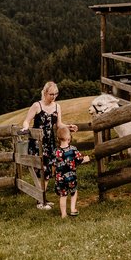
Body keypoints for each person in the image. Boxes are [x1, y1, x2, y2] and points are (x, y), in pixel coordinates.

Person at [21, 81, 78, 210]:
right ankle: (41, 201)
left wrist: (68, 126)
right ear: (45, 92)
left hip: (50, 143)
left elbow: (59, 125)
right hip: (37, 143)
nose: (53, 97)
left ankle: (42, 200)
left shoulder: (57, 107)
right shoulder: (37, 106)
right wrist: (25, 128)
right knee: (42, 171)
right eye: (51, 94)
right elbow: (26, 121)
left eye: (56, 94)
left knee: (47, 171)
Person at [51, 125, 90, 218]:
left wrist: (54, 174)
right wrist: (86, 159)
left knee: (63, 196)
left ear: (57, 138)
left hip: (60, 178)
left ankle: (63, 214)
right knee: (73, 192)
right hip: (71, 177)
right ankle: (73, 209)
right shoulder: (73, 149)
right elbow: (79, 160)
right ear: (69, 137)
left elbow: (53, 165)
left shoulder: (55, 152)